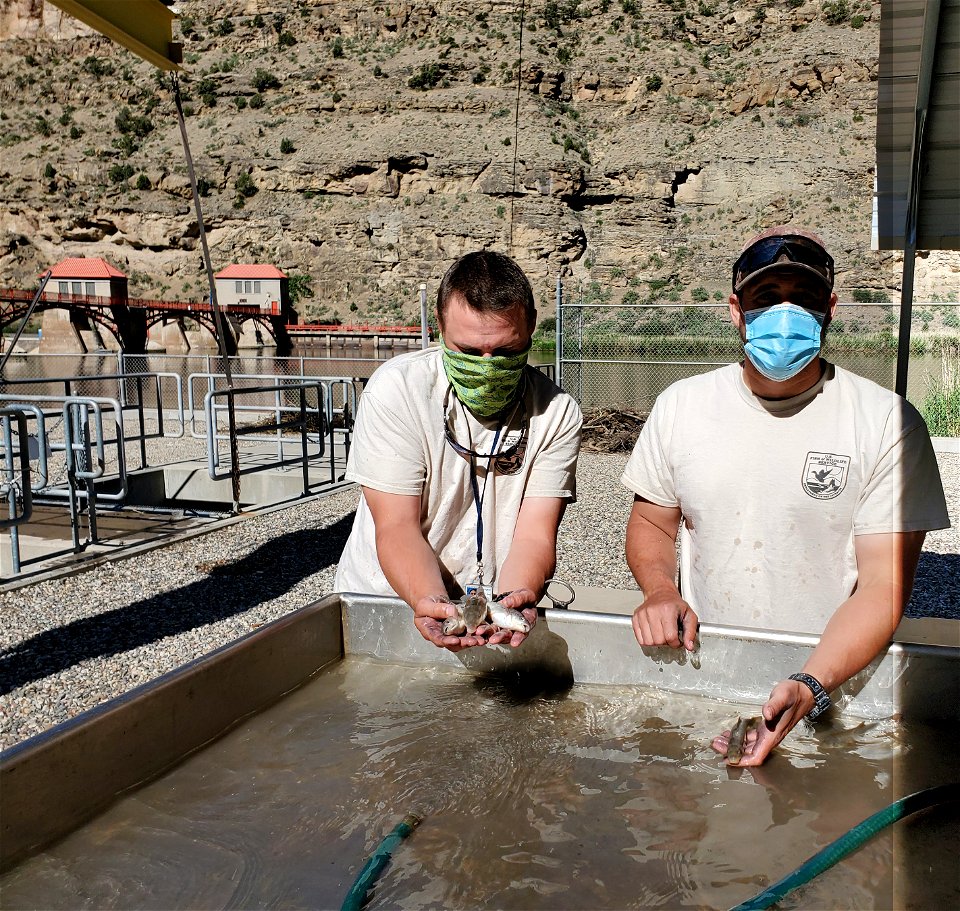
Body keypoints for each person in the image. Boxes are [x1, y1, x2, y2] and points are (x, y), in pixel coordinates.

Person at [621, 226, 950, 766]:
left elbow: (883, 586)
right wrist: (659, 590)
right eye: (767, 299)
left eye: (804, 299)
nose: (785, 312)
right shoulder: (683, 405)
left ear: (830, 309)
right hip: (707, 678)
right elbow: (653, 523)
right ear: (736, 310)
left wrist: (810, 683)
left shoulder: (886, 422)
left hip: (834, 693)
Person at [335, 250, 582, 651]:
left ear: (532, 325)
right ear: (439, 328)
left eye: (505, 352)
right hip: (387, 603)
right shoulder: (397, 390)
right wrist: (428, 601)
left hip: (487, 613)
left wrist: (515, 597)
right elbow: (396, 525)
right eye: (468, 352)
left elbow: (536, 532)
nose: (487, 366)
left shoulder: (557, 413)